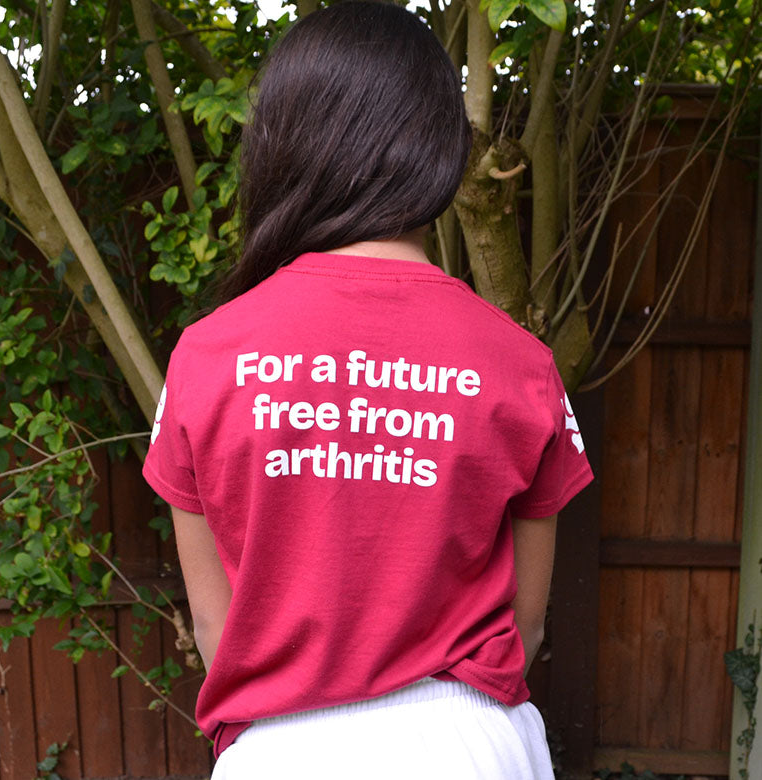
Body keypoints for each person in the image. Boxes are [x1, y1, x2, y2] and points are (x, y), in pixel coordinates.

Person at [142, 2, 593, 778]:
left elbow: (217, 631)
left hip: (280, 751)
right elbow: (525, 624)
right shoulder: (522, 363)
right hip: (469, 745)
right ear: (442, 151)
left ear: (280, 145)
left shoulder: (204, 359)